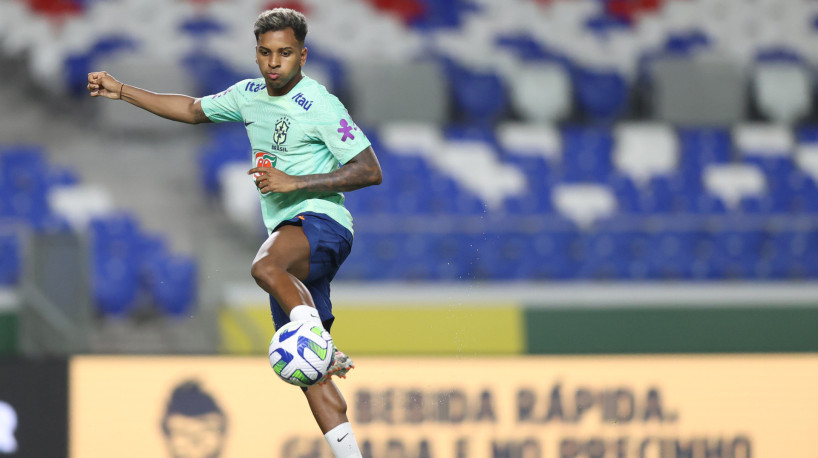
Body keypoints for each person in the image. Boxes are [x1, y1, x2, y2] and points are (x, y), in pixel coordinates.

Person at [87, 8, 382, 458]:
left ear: (302, 56)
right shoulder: (248, 95)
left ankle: (318, 340)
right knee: (308, 375)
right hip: (291, 238)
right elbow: (189, 109)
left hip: (324, 223)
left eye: (284, 53)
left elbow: (369, 169)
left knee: (265, 266)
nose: (273, 63)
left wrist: (294, 183)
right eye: (265, 53)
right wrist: (122, 90)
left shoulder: (319, 103)